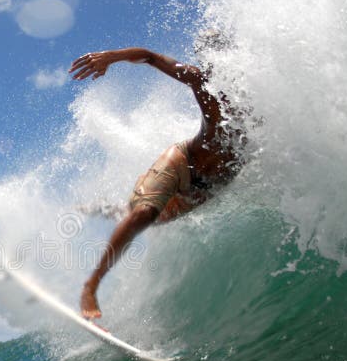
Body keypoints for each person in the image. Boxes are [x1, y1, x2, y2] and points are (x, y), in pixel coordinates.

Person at [70, 31, 241, 319]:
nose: (213, 67)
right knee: (143, 216)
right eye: (208, 60)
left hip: (207, 187)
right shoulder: (201, 82)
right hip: (182, 162)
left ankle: (107, 208)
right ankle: (91, 286)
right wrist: (111, 57)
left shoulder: (262, 102)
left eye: (219, 58)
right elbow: (150, 57)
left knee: (148, 219)